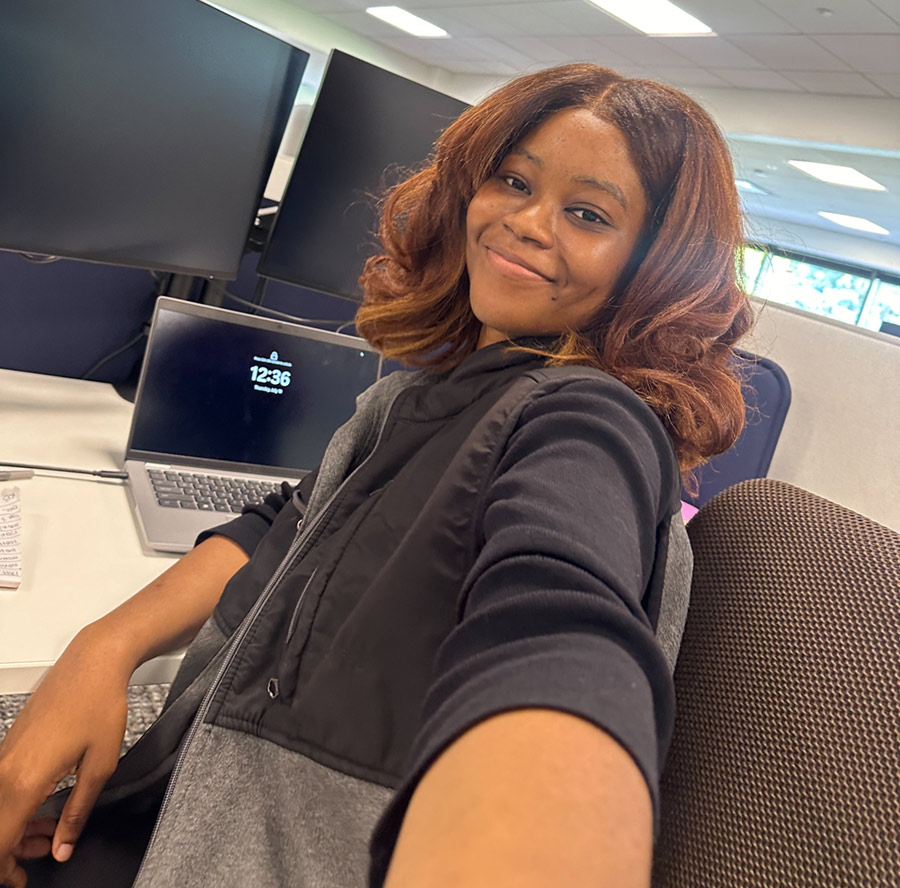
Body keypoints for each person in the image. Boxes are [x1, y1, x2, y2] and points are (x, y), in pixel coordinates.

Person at [0, 63, 752, 888]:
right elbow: (286, 524)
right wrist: (106, 647)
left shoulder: (585, 420)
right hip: (178, 810)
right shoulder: (421, 400)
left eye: (587, 213)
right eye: (513, 179)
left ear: (660, 267)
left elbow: (559, 630)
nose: (528, 223)